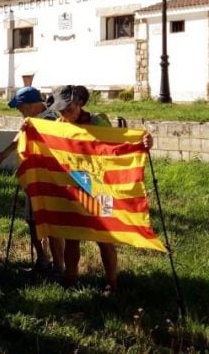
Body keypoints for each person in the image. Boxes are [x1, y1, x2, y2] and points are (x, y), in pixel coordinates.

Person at [50, 85, 153, 296]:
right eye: (60, 110)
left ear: (80, 104)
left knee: (103, 235)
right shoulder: (57, 125)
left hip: (99, 186)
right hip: (72, 185)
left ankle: (111, 282)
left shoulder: (97, 122)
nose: (64, 114)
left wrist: (143, 142)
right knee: (71, 236)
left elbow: (118, 143)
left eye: (68, 109)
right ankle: (71, 280)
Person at [0, 86, 61, 276]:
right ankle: (43, 260)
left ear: (31, 105)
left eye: (21, 108)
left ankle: (57, 267)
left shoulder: (51, 119)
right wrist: (5, 153)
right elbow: (21, 134)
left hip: (48, 182)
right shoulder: (31, 120)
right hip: (33, 179)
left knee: (49, 223)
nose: (19, 112)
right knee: (31, 220)